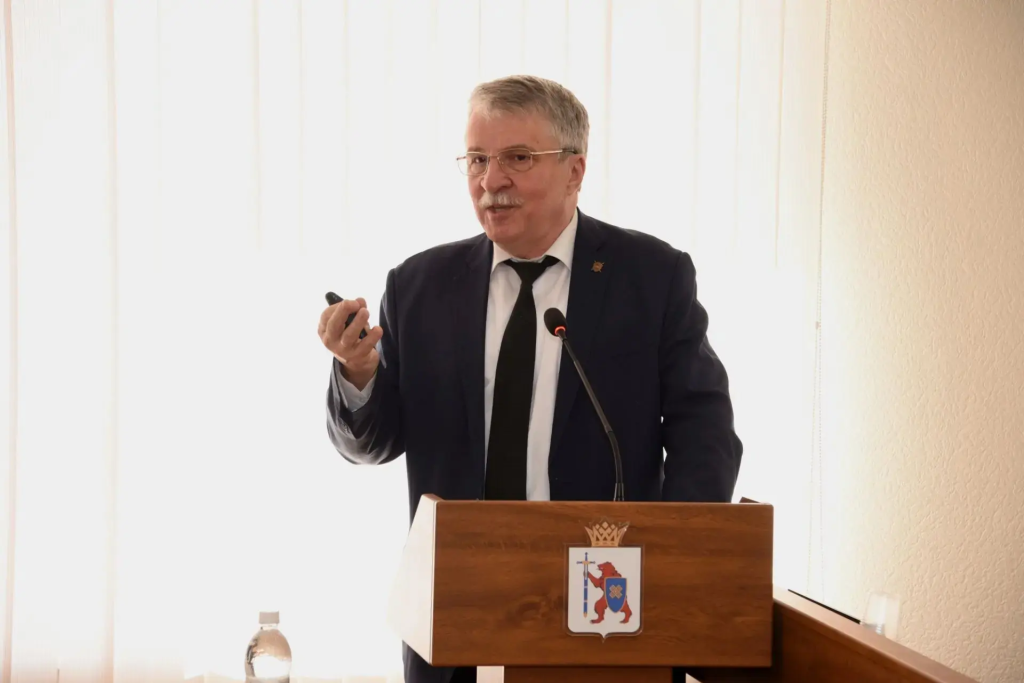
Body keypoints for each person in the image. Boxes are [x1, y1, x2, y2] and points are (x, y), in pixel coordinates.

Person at [319, 75, 742, 683]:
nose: (491, 181)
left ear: (575, 171)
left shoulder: (650, 277)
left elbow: (706, 433)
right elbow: (373, 444)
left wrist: (670, 561)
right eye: (477, 159)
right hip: (455, 618)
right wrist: (358, 372)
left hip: (605, 609)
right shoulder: (418, 286)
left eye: (518, 158)